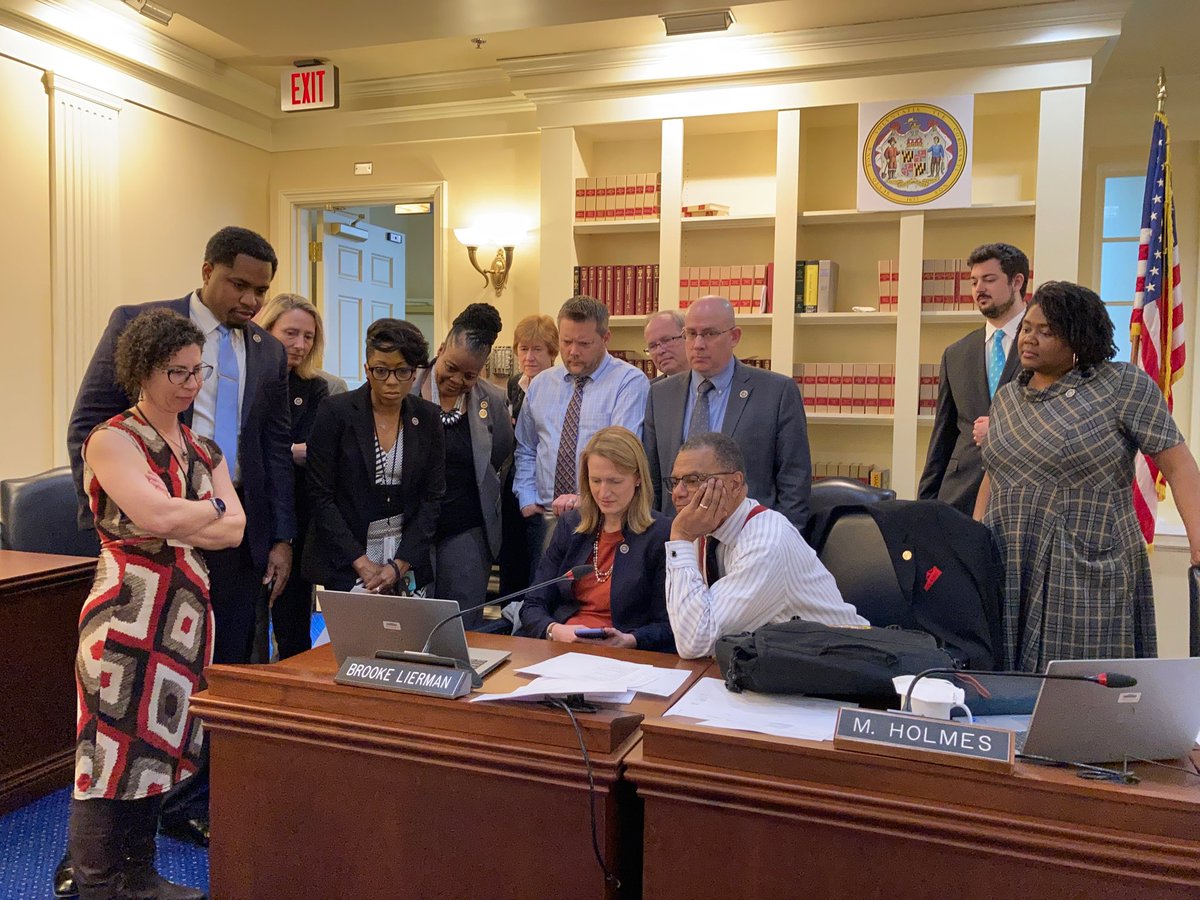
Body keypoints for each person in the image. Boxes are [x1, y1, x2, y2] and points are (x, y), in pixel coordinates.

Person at [64, 225, 293, 852]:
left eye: (261, 290)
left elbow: (270, 449)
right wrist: (123, 516)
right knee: (120, 702)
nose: (250, 299)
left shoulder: (268, 351)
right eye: (239, 284)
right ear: (207, 269)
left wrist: (278, 538)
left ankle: (186, 805)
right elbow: (89, 424)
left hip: (230, 539)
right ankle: (90, 853)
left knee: (212, 678)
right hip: (143, 547)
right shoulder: (139, 323)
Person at [68, 310, 245, 900]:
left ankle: (139, 877)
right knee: (107, 754)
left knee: (157, 752)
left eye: (199, 371)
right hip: (125, 612)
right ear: (143, 370)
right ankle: (96, 885)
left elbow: (237, 529)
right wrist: (204, 514)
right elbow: (155, 516)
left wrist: (194, 518)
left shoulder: (206, 448)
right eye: (178, 372)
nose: (192, 384)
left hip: (185, 617)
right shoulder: (112, 438)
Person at [976, 281, 1200, 671]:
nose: (1029, 339)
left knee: (1078, 694)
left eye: (1046, 332)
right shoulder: (1009, 396)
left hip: (1087, 566)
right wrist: (973, 543)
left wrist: (1198, 544)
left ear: (1079, 337)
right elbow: (997, 471)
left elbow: (1178, 465)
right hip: (1008, 564)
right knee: (1004, 692)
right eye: (1028, 327)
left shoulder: (1122, 386)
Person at [664, 432, 865, 659]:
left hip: (841, 670)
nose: (678, 493)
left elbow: (695, 641)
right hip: (778, 670)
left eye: (692, 481)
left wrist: (680, 538)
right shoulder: (702, 527)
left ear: (735, 483)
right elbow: (688, 632)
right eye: (674, 482)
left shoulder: (767, 541)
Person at [644, 295, 813, 530]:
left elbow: (794, 478)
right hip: (679, 537)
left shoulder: (776, 392)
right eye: (691, 334)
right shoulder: (660, 395)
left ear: (734, 337)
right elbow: (652, 479)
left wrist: (785, 538)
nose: (698, 344)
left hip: (751, 537)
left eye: (710, 334)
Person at [303, 318, 446, 595]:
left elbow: (432, 498)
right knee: (352, 638)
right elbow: (320, 496)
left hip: (406, 560)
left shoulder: (427, 418)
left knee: (406, 637)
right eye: (381, 370)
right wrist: (361, 563)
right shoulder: (335, 413)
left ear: (414, 374)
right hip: (348, 558)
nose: (391, 381)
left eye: (402, 371)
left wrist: (400, 564)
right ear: (367, 370)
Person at [514, 295, 649, 565]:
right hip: (545, 516)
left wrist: (582, 498)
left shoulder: (629, 382)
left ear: (605, 338)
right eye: (566, 342)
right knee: (542, 597)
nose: (573, 351)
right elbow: (527, 447)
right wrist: (527, 496)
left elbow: (621, 456)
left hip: (601, 515)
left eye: (584, 343)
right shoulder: (541, 384)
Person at [517, 426, 674, 652]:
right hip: (562, 648)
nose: (603, 492)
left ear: (638, 478)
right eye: (596, 481)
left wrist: (631, 639)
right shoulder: (571, 525)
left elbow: (668, 625)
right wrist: (554, 630)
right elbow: (532, 604)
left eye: (614, 481)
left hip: (625, 656)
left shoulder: (661, 534)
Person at [411, 303, 514, 627]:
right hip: (412, 526)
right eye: (451, 367)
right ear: (440, 350)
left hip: (467, 528)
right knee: (415, 621)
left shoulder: (492, 401)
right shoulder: (405, 389)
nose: (457, 380)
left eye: (470, 375)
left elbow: (499, 455)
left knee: (461, 622)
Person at [919, 242, 1028, 514]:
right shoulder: (955, 354)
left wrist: (1002, 432)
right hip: (959, 495)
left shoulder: (1046, 346)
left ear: (1017, 282)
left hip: (1021, 495)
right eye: (973, 282)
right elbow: (942, 436)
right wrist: (925, 505)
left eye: (989, 280)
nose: (979, 289)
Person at [253, 293, 331, 659]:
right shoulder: (246, 382)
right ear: (266, 329)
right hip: (247, 514)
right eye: (291, 333)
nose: (300, 345)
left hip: (298, 519)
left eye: (309, 337)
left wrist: (277, 453)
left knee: (293, 628)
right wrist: (287, 451)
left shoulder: (314, 388)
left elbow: (314, 452)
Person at [499, 314, 559, 598]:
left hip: (545, 486)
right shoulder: (514, 384)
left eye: (537, 349)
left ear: (552, 352)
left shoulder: (559, 386)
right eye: (523, 349)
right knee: (513, 559)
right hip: (514, 481)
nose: (529, 356)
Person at [643, 310, 688, 380]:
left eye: (666, 340)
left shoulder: (708, 384)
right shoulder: (650, 389)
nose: (659, 351)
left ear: (686, 337)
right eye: (653, 346)